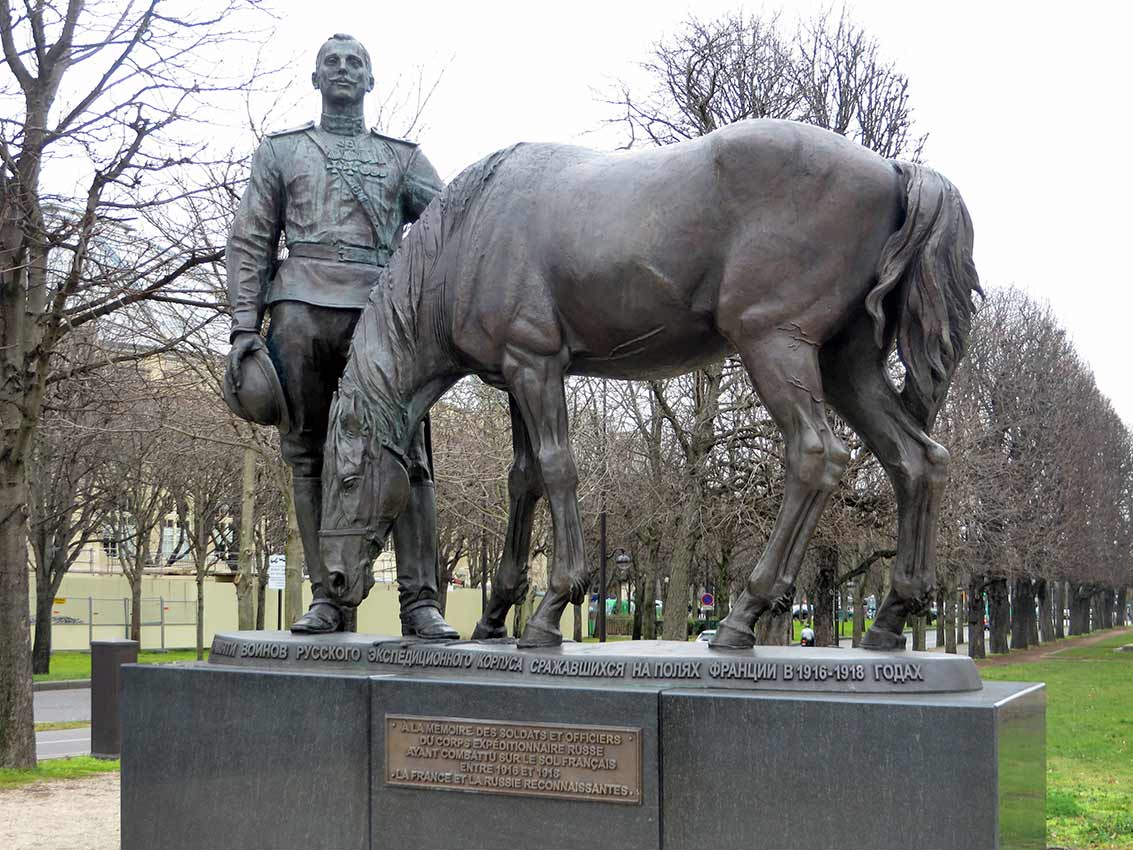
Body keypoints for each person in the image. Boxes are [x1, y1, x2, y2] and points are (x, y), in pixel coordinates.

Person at [225, 33, 457, 638]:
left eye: (356, 62)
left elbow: (454, 226)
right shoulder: (281, 151)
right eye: (333, 61)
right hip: (299, 314)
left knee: (408, 457)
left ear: (371, 81)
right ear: (316, 78)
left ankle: (420, 601)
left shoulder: (402, 158)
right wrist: (243, 326)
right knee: (308, 455)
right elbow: (251, 239)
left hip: (383, 320)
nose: (344, 69)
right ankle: (331, 597)